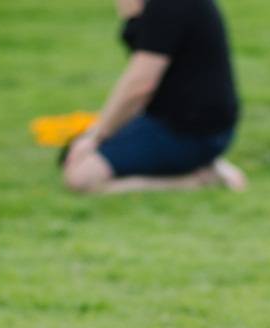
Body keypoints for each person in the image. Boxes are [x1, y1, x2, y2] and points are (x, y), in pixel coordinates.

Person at [63, 0, 245, 194]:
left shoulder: (167, 7)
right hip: (201, 125)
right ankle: (202, 163)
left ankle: (197, 179)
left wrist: (95, 136)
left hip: (187, 132)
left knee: (81, 177)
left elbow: (140, 86)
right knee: (72, 152)